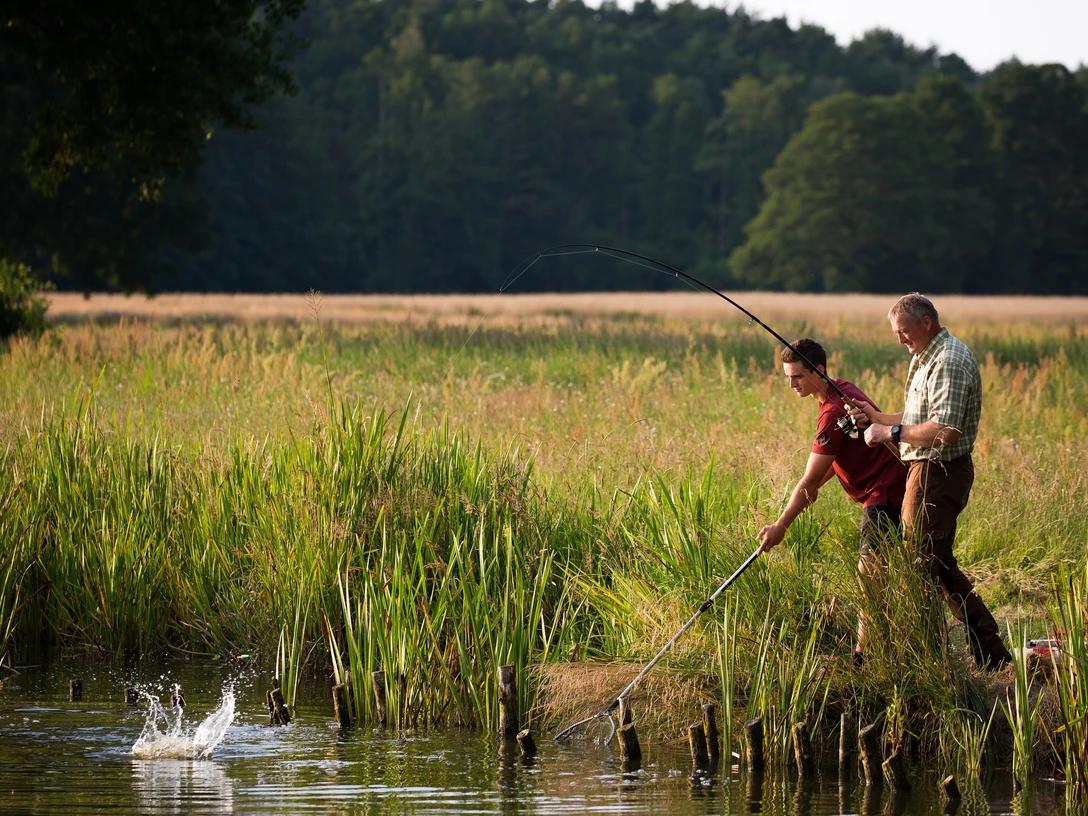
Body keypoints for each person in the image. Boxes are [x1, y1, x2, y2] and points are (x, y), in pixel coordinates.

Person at [848, 293, 1013, 672]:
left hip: (938, 473)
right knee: (935, 562)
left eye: (904, 331)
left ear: (926, 323)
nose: (900, 339)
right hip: (925, 472)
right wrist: (875, 418)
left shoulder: (949, 360)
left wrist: (890, 431)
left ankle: (935, 661)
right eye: (896, 333)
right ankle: (989, 654)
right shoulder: (927, 357)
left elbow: (945, 431)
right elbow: (918, 415)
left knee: (921, 565)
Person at [757, 338, 906, 665]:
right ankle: (889, 648)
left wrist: (781, 525)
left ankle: (864, 658)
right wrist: (819, 484)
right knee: (888, 573)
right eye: (788, 378)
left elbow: (809, 480)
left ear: (819, 371)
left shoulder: (832, 412)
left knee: (870, 577)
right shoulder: (841, 389)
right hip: (888, 487)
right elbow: (833, 461)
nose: (792, 385)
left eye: (797, 376)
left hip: (885, 490)